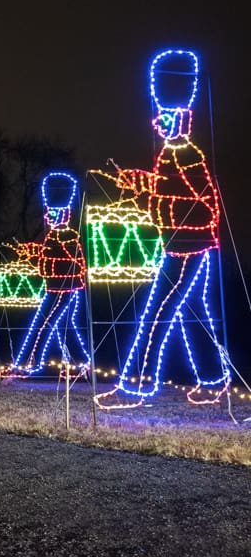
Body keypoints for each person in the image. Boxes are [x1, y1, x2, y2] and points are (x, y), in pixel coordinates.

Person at [95, 49, 230, 409]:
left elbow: (205, 204)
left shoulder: (187, 155)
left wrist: (158, 201)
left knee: (157, 313)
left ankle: (136, 385)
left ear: (181, 118)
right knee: (192, 313)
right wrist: (139, 184)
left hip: (190, 245)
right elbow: (166, 186)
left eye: (164, 119)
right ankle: (214, 379)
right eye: (158, 120)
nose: (159, 124)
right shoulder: (170, 155)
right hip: (183, 244)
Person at [3, 172, 90, 378]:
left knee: (43, 323)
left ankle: (28, 364)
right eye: (48, 213)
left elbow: (71, 261)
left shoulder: (67, 236)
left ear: (64, 215)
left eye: (52, 214)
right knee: (64, 326)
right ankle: (79, 364)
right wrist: (31, 252)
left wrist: (41, 254)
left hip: (63, 288)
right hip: (57, 286)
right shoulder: (54, 236)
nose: (47, 217)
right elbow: (47, 254)